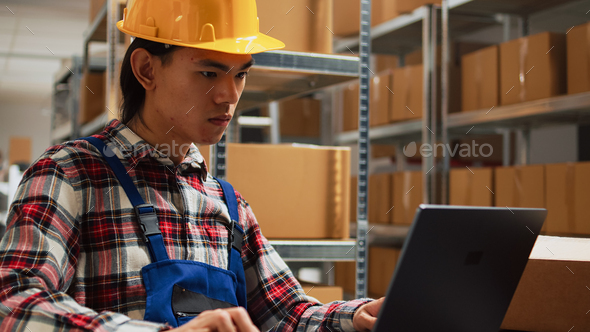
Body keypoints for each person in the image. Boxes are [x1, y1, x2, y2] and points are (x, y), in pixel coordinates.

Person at [0, 0, 384, 331]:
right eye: (209, 72)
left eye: (241, 74)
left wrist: (359, 316)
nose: (228, 96)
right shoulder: (70, 175)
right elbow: (13, 304)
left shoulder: (228, 206)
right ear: (147, 69)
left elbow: (288, 315)